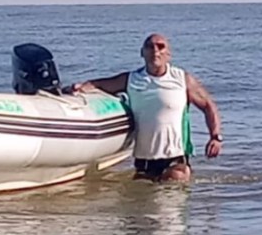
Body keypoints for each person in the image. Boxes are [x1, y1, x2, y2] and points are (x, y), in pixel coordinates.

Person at [72, 33, 223, 182]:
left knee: (173, 186)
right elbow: (99, 84)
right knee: (141, 195)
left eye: (160, 47)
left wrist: (215, 137)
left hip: (175, 159)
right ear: (142, 53)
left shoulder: (182, 79)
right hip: (144, 161)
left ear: (169, 54)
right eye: (150, 47)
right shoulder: (131, 79)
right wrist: (80, 88)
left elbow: (208, 105)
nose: (155, 51)